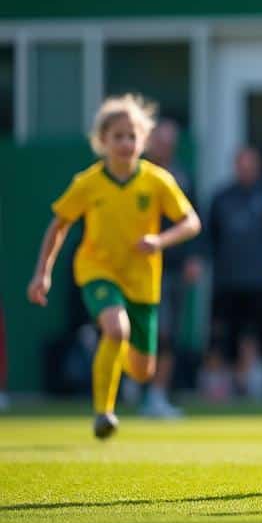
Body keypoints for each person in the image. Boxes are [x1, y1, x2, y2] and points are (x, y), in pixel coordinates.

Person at [26, 94, 201, 439]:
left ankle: (110, 353)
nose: (125, 143)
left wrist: (159, 241)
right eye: (117, 136)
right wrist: (42, 273)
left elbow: (191, 222)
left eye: (131, 136)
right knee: (116, 329)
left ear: (143, 140)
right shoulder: (87, 183)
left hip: (142, 280)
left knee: (142, 371)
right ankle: (103, 412)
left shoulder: (157, 180)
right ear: (102, 141)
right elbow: (58, 225)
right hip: (98, 271)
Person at [202, 145, 262, 399]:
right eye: (242, 164)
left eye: (251, 164)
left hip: (261, 279)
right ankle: (235, 381)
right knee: (228, 333)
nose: (246, 169)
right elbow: (209, 238)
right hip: (228, 280)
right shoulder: (221, 198)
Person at [140, 118, 196, 418]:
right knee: (137, 330)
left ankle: (157, 394)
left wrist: (193, 258)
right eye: (161, 141)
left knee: (167, 333)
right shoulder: (136, 175)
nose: (166, 147)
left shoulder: (181, 176)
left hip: (172, 268)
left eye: (170, 143)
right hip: (139, 268)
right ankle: (130, 387)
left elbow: (193, 218)